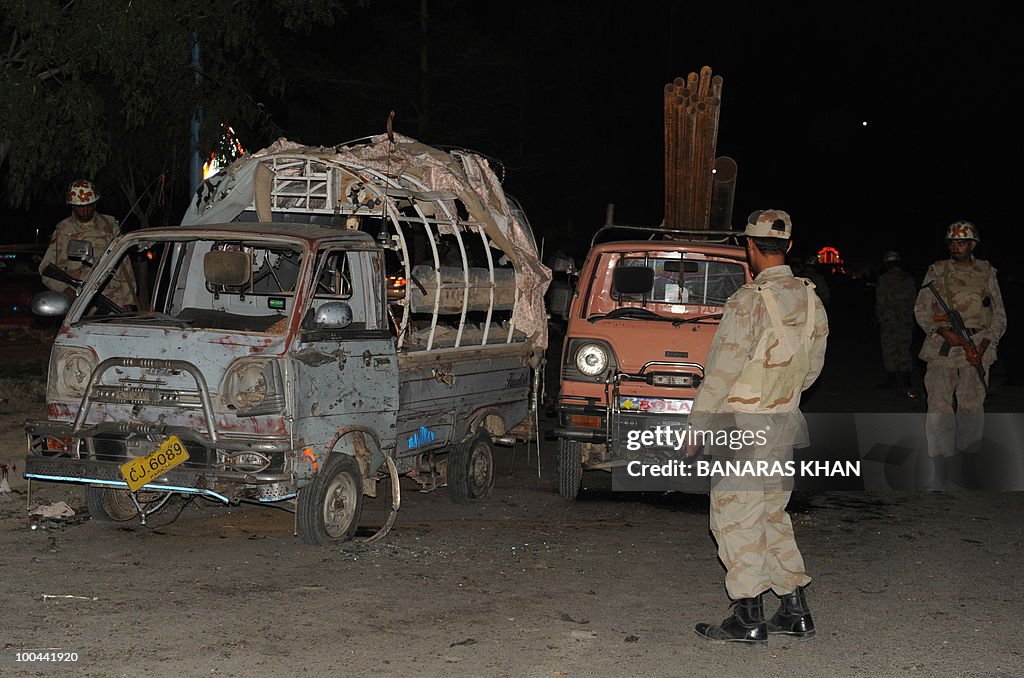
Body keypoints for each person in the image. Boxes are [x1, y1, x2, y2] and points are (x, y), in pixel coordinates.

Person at [688, 209, 829, 645]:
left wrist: (698, 425)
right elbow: (811, 372)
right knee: (770, 513)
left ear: (749, 246)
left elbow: (721, 371)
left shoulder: (748, 300)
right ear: (789, 246)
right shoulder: (811, 299)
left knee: (733, 517)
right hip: (784, 421)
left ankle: (747, 615)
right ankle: (794, 608)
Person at [914, 221, 1006, 489]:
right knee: (939, 407)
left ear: (973, 245)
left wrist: (986, 343)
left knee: (971, 408)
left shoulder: (987, 271)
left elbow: (999, 315)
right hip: (942, 349)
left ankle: (966, 466)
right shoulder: (937, 270)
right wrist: (942, 331)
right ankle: (940, 469)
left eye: (962, 242)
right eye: (953, 242)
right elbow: (921, 309)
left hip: (976, 347)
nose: (957, 246)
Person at [39, 179, 138, 310]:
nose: (85, 211)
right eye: (80, 207)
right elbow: (45, 269)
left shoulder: (109, 226)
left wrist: (129, 300)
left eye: (88, 206)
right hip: (78, 303)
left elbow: (124, 265)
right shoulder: (63, 230)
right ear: (73, 206)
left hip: (111, 298)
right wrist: (65, 290)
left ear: (95, 204)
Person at [875, 251, 918, 398]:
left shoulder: (884, 279)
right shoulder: (908, 279)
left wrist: (879, 317)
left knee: (889, 348)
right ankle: (906, 381)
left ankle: (892, 379)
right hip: (904, 319)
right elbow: (914, 300)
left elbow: (880, 301)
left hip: (889, 320)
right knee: (904, 348)